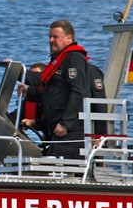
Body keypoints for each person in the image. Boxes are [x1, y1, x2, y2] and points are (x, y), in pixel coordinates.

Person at [23, 19, 89, 159]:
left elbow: (78, 92)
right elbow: (46, 86)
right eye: (50, 37)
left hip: (68, 131)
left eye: (55, 37)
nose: (51, 40)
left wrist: (65, 123)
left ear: (69, 38)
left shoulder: (73, 59)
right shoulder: (58, 61)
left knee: (54, 163)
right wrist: (19, 72)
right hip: (55, 129)